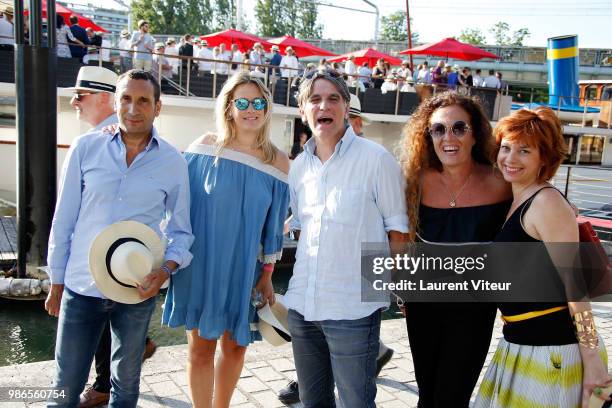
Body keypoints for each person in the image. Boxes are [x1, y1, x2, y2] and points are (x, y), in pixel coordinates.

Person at [45, 69, 193, 408]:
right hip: (82, 288)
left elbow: (181, 231)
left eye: (143, 100)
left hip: (137, 289)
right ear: (115, 102)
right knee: (64, 387)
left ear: (158, 107)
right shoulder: (86, 148)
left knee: (126, 387)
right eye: (125, 98)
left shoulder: (173, 162)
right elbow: (64, 218)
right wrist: (57, 280)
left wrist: (165, 271)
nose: (132, 108)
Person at [162, 72, 289, 407]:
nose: (251, 109)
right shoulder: (205, 147)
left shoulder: (278, 161)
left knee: (236, 346)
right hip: (201, 265)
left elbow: (274, 228)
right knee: (201, 348)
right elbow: (177, 206)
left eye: (258, 102)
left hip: (245, 268)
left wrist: (267, 277)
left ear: (266, 108)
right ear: (229, 107)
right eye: (242, 102)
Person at [285, 68, 408, 408]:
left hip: (354, 309)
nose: (324, 106)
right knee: (312, 402)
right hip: (302, 305)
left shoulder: (376, 159)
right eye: (315, 99)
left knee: (356, 402)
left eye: (333, 99)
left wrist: (387, 290)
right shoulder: (298, 168)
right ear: (303, 110)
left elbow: (397, 232)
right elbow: (302, 227)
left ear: (346, 107)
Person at [474, 107, 611, 408]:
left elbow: (577, 289)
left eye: (524, 150)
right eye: (506, 148)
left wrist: (593, 362)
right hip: (520, 343)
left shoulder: (546, 202)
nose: (510, 159)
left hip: (554, 352)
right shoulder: (515, 198)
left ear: (544, 158)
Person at [400, 91, 512, 407]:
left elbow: (536, 208)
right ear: (428, 136)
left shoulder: (501, 181)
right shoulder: (414, 181)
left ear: (475, 134)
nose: (448, 137)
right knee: (428, 392)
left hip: (474, 308)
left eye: (458, 128)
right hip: (424, 304)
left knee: (453, 396)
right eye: (438, 129)